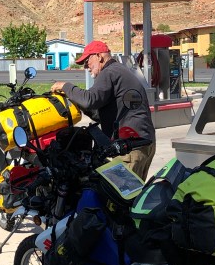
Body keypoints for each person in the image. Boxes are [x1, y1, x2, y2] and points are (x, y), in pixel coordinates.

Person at [52, 40, 156, 179]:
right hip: (143, 143)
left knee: (117, 191)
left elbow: (90, 99)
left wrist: (65, 86)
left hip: (130, 148)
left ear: (99, 56)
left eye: (87, 62)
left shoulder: (108, 72)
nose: (86, 67)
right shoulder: (120, 70)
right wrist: (75, 101)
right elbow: (101, 112)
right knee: (134, 192)